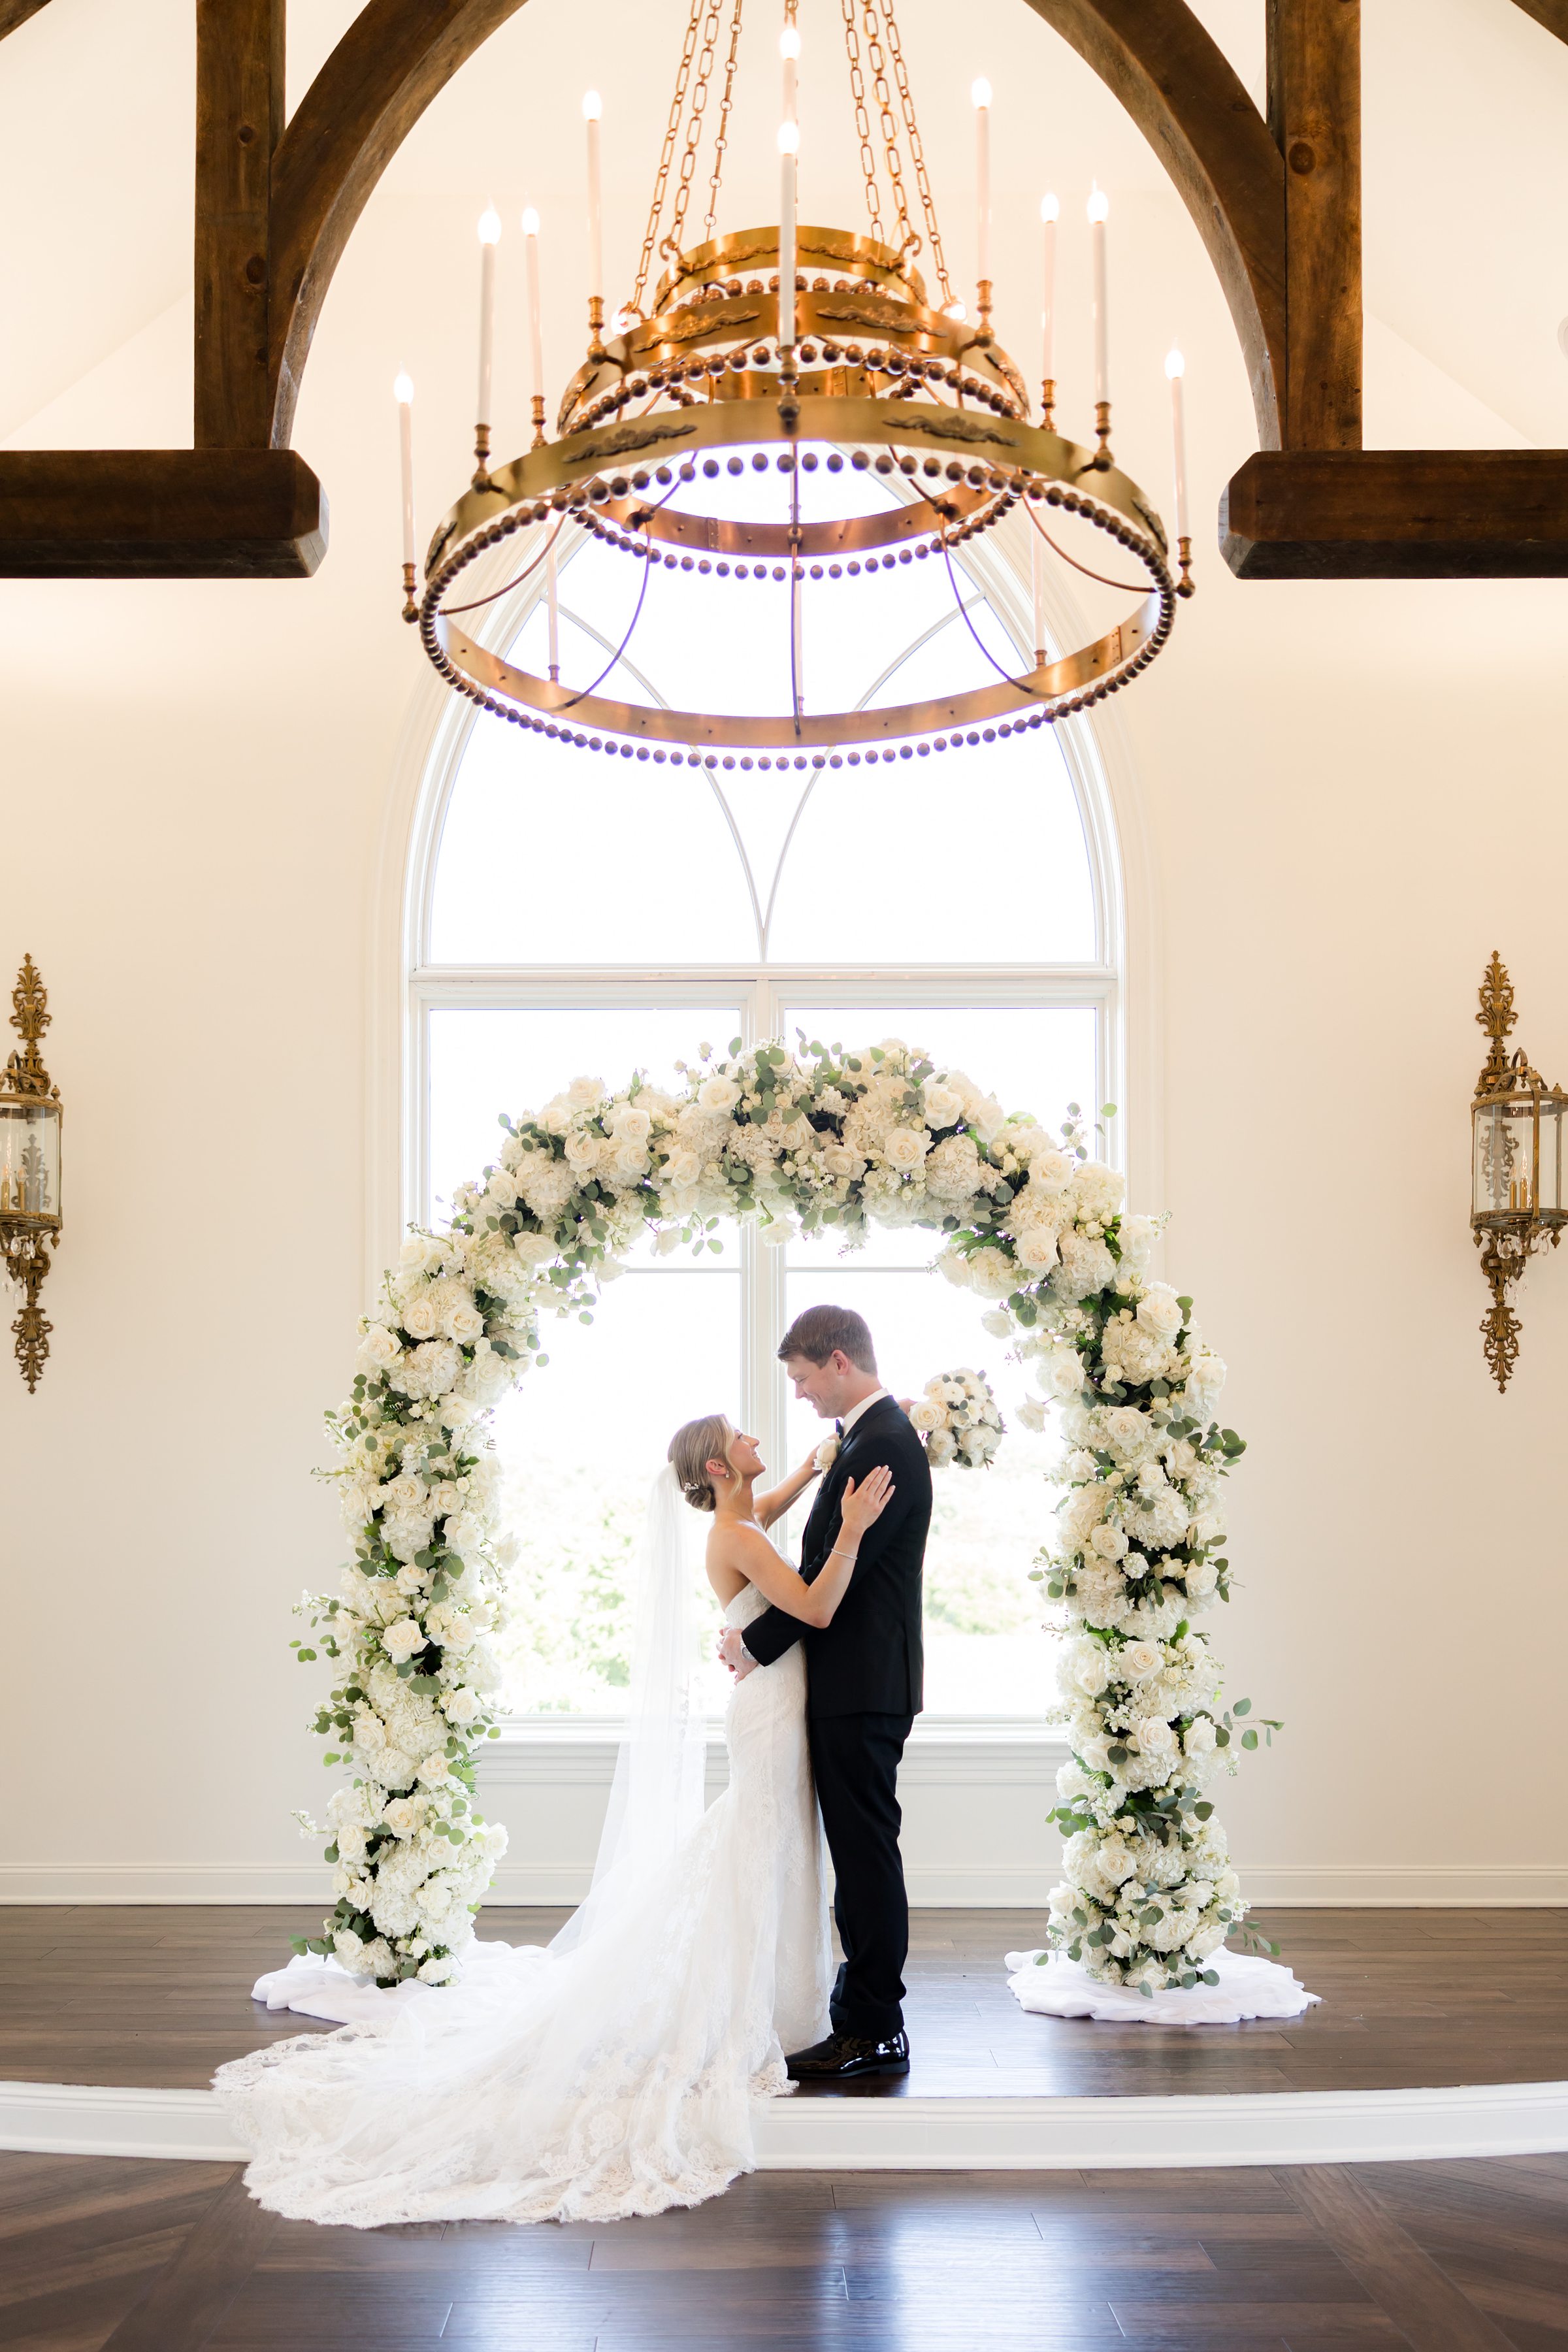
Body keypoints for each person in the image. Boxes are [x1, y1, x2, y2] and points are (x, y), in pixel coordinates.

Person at [211, 1410, 892, 2227]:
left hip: (771, 1700)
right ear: (717, 1468)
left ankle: (774, 1999)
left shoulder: (742, 1518)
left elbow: (766, 1509)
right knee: (758, 1844)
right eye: (741, 1437)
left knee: (766, 1844)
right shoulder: (737, 1535)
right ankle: (752, 2005)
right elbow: (815, 1610)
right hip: (772, 1711)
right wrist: (850, 1530)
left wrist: (816, 1470)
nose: (756, 1439)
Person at [721, 1303, 932, 2080]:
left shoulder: (883, 1448)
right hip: (850, 1680)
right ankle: (860, 2015)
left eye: (805, 1379)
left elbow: (828, 1583)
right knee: (858, 1852)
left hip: (863, 1682)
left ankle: (875, 2027)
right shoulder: (869, 1438)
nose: (802, 1395)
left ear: (839, 1361)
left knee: (866, 1856)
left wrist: (754, 1645)